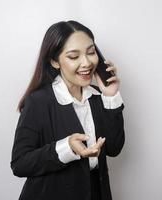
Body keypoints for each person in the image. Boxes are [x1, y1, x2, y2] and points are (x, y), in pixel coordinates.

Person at [10, 20, 125, 200]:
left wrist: (110, 96)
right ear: (55, 61)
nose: (86, 63)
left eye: (91, 52)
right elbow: (20, 164)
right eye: (73, 56)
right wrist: (66, 148)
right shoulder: (39, 102)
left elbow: (114, 148)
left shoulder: (96, 96)